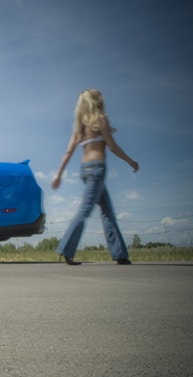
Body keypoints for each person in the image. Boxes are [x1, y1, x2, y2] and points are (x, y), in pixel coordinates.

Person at [51, 89, 139, 265]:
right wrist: (130, 161)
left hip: (85, 170)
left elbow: (68, 152)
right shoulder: (100, 120)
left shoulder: (79, 128)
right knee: (85, 211)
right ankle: (66, 249)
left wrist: (58, 174)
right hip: (97, 169)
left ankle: (120, 254)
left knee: (107, 212)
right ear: (97, 102)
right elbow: (112, 147)